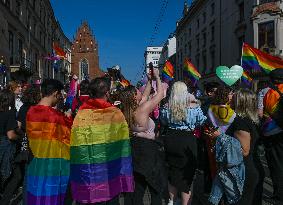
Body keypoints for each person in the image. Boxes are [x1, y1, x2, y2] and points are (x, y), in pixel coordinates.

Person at [70, 77, 134, 204]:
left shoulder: (82, 113)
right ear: (107, 93)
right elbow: (123, 145)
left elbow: (77, 144)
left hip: (90, 173)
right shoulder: (116, 113)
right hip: (111, 171)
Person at [119, 69, 166, 205]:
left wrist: (149, 80)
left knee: (137, 188)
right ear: (134, 97)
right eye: (137, 91)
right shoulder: (143, 109)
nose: (141, 91)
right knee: (155, 187)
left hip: (134, 149)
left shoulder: (128, 109)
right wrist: (157, 77)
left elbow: (145, 95)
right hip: (148, 151)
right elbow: (160, 94)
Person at [207, 88, 260, 205]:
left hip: (241, 172)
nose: (229, 101)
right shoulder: (251, 119)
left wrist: (220, 137)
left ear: (240, 103)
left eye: (233, 100)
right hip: (247, 168)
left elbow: (243, 151)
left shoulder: (240, 122)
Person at [25, 79, 72, 205]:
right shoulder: (56, 117)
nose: (61, 97)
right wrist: (68, 119)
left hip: (35, 164)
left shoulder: (30, 112)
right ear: (55, 93)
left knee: (35, 197)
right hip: (52, 167)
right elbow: (68, 139)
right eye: (60, 95)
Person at [160, 81, 207, 205]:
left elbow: (163, 121)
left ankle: (171, 201)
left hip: (171, 138)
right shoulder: (194, 106)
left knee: (172, 171)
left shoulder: (166, 106)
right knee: (188, 172)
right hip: (187, 139)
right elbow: (202, 121)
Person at [258, 68, 283, 203]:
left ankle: (279, 196)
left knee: (276, 165)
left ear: (271, 80)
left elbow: (260, 114)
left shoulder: (265, 92)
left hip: (272, 133)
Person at [0, 89, 23, 205]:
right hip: (6, 146)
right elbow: (10, 135)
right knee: (10, 174)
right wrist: (19, 137)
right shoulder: (10, 113)